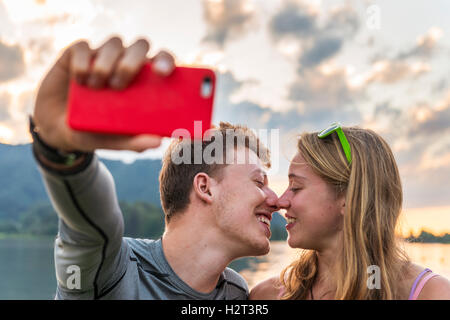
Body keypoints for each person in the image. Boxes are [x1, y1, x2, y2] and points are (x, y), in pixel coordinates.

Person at [30, 36, 279, 299]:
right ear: (205, 187)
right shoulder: (110, 269)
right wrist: (61, 152)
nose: (276, 201)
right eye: (259, 182)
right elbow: (89, 226)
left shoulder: (236, 292)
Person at [250, 124, 450, 300]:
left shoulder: (432, 294)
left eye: (296, 187)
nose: (280, 201)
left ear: (348, 198)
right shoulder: (266, 295)